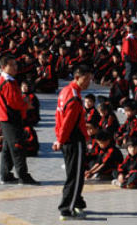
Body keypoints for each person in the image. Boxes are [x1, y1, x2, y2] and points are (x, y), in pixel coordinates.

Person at [53, 65, 93, 220]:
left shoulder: (66, 91)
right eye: (86, 78)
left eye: (90, 79)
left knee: (73, 173)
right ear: (77, 77)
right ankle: (66, 209)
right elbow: (68, 123)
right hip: (73, 140)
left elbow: (59, 118)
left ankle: (77, 202)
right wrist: (60, 140)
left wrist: (59, 137)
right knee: (75, 176)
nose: (89, 82)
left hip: (69, 139)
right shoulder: (75, 98)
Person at [0, 55, 38, 185]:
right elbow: (14, 103)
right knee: (18, 147)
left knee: (8, 147)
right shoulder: (7, 82)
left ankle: (6, 174)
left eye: (15, 64)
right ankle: (23, 176)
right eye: (12, 65)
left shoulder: (5, 79)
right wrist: (26, 104)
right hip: (11, 118)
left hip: (6, 118)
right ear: (4, 67)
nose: (15, 67)